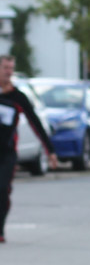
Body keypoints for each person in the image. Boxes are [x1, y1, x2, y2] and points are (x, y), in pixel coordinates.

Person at [0, 54, 58, 242]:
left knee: (2, 189)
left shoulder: (18, 97)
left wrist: (50, 151)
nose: (9, 72)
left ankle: (0, 229)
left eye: (11, 68)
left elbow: (35, 123)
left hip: (7, 153)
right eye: (5, 68)